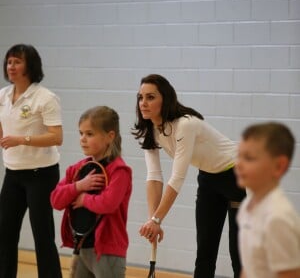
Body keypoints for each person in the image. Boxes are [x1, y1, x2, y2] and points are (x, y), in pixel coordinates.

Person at [132, 74, 246, 278]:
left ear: (165, 99)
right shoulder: (151, 129)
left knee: (238, 254)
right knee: (205, 251)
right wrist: (153, 221)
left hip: (238, 176)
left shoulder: (185, 124)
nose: (143, 103)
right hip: (209, 179)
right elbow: (154, 177)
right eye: (141, 97)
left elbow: (177, 178)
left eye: (150, 97)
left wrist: (157, 219)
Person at [0, 44, 63, 277]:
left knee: (43, 237)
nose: (11, 66)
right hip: (13, 174)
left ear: (30, 65)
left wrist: (21, 139)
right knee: (4, 234)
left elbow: (56, 137)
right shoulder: (3, 95)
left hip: (41, 175)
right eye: (9, 62)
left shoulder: (45, 97)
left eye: (17, 61)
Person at [51, 106, 132, 278]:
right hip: (82, 248)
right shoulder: (77, 169)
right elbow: (55, 201)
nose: (82, 139)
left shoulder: (119, 171)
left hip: (108, 251)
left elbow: (109, 203)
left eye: (89, 134)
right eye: (81, 133)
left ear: (110, 136)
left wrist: (84, 200)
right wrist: (78, 186)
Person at [235, 122, 300, 278]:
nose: (238, 164)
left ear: (279, 166)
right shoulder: (246, 206)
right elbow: (249, 267)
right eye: (238, 156)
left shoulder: (277, 218)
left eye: (249, 158)